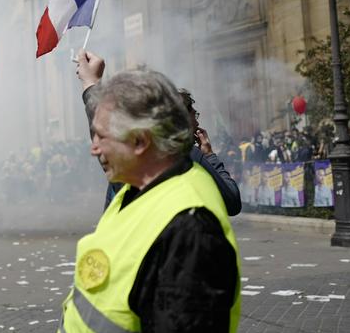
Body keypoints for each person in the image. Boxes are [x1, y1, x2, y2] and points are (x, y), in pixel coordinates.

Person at [48, 69, 240, 333]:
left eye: (102, 138)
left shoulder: (190, 229)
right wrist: (90, 84)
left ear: (140, 142)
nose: (94, 150)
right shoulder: (135, 184)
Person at [76, 51, 241, 216]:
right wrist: (210, 156)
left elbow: (105, 132)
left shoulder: (128, 165)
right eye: (194, 115)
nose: (97, 149)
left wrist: (92, 84)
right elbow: (232, 201)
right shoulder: (186, 157)